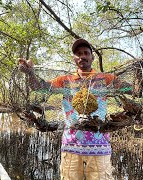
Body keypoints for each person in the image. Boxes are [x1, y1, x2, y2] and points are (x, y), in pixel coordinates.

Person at [18, 38, 122, 180]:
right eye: (79, 54)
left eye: (86, 53)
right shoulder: (65, 80)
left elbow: (133, 89)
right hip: (71, 145)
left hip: (100, 146)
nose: (83, 56)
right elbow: (40, 87)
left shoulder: (105, 78)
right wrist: (30, 73)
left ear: (92, 57)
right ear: (74, 58)